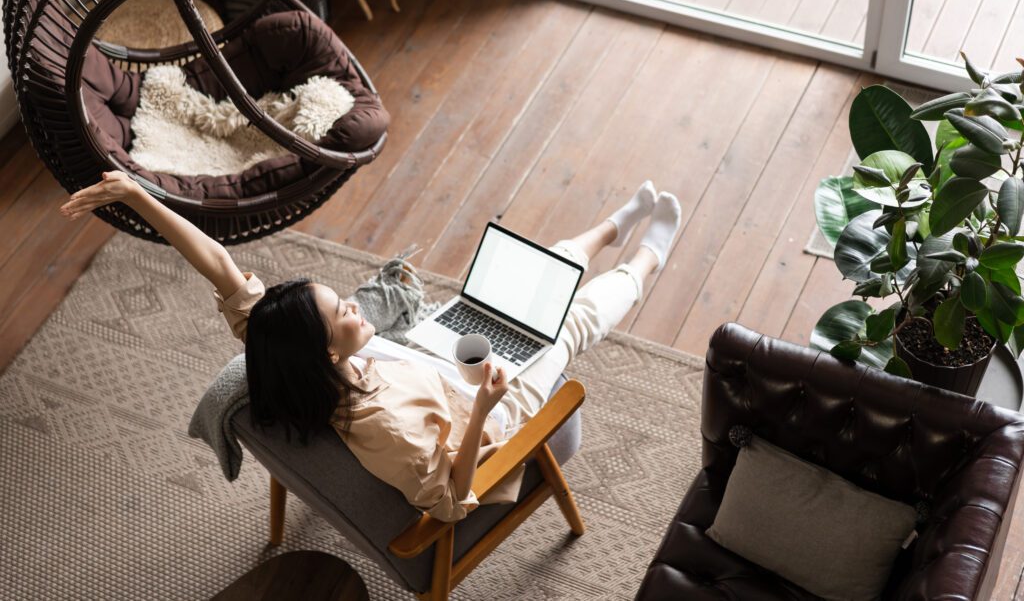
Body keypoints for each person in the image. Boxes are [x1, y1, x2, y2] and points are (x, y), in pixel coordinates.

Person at [60, 174, 682, 522]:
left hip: (428, 366)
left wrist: (137, 195)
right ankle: (649, 260)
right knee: (566, 326)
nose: (356, 306)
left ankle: (611, 228)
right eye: (344, 314)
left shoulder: (283, 344)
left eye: (340, 300)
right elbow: (448, 501)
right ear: (329, 352)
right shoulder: (387, 429)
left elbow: (219, 264)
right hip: (491, 417)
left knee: (510, 294)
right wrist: (485, 411)